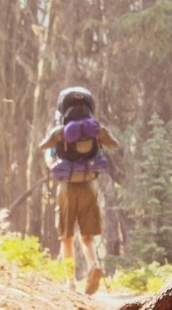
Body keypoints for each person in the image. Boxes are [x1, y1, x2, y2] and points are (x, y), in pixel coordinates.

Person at [39, 87, 119, 295]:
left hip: (67, 186)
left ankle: (70, 281)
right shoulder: (94, 130)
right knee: (87, 235)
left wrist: (55, 162)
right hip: (89, 184)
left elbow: (47, 153)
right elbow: (112, 145)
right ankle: (93, 265)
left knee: (66, 237)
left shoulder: (60, 130)